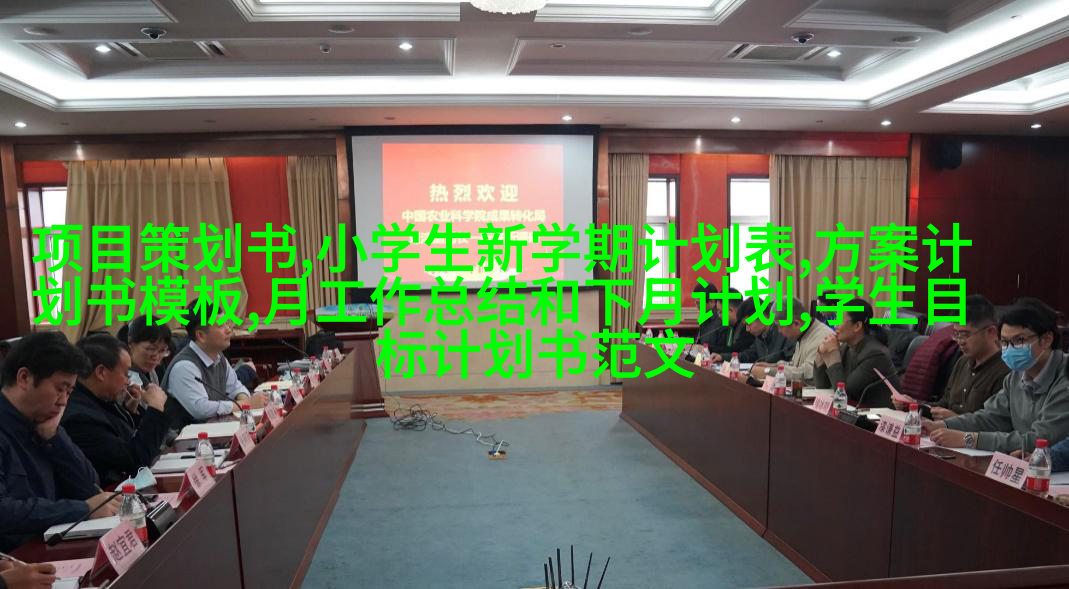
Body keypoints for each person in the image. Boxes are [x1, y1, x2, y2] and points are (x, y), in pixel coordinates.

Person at [0, 333, 121, 552]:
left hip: (51, 546)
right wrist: (82, 509)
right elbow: (4, 512)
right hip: (17, 559)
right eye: (60, 388)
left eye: (69, 391)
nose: (64, 401)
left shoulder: (43, 423)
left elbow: (89, 487)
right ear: (24, 378)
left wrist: (55, 438)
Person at [926, 301, 1069, 452]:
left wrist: (968, 439)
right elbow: (990, 417)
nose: (1010, 349)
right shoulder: (1016, 375)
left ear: (1046, 340)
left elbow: (1040, 440)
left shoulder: (1065, 378)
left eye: (1019, 340)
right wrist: (943, 425)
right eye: (1005, 342)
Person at [62, 334, 170, 487]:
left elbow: (133, 441)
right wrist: (156, 408)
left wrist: (131, 413)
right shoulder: (79, 418)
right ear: (101, 372)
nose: (128, 381)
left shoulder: (99, 397)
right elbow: (135, 460)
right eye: (126, 374)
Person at [161, 299, 266, 430]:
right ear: (201, 335)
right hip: (182, 438)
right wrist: (246, 404)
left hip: (213, 431)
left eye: (227, 323)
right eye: (221, 326)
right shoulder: (184, 367)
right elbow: (201, 409)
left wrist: (245, 403)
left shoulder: (218, 356)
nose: (229, 330)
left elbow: (236, 387)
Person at [924, 295, 1010, 419]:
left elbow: (995, 424)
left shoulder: (1006, 371)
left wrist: (954, 419)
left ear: (991, 332)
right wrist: (913, 405)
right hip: (943, 428)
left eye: (964, 335)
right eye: (956, 334)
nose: (960, 341)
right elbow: (944, 404)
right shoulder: (962, 362)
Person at [813, 298, 898, 408]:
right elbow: (821, 385)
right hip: (853, 409)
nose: (835, 325)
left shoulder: (876, 354)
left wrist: (833, 355)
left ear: (857, 326)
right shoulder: (846, 346)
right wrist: (821, 354)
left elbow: (843, 393)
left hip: (876, 414)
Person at [751, 297, 833, 383]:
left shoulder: (822, 338)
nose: (779, 331)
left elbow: (806, 374)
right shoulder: (803, 333)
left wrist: (768, 371)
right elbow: (795, 366)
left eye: (780, 326)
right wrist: (771, 366)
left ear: (796, 324)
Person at [121, 315, 172, 389]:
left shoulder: (157, 371)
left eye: (162, 350)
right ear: (131, 343)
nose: (156, 357)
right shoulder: (121, 378)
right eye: (151, 349)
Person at [706, 296, 757, 363]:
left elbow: (736, 350)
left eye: (720, 312)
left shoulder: (746, 327)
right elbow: (724, 347)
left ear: (731, 310)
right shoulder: (729, 327)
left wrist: (709, 349)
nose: (718, 315)